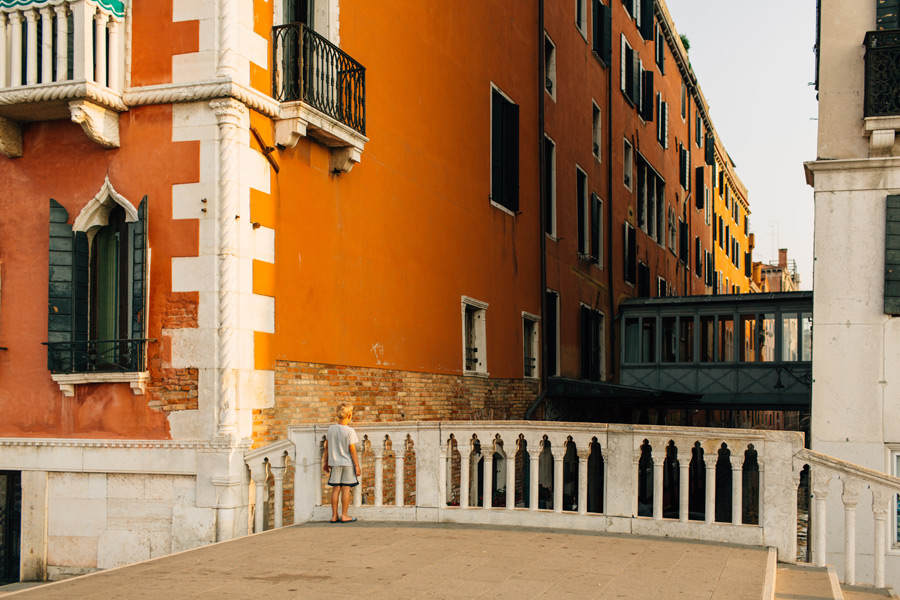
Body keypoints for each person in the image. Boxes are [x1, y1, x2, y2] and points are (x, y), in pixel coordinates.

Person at [323, 403, 361, 523]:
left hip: (334, 462)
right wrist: (357, 465)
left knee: (336, 489)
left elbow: (327, 447)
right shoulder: (350, 431)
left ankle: (334, 515)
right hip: (347, 463)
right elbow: (352, 450)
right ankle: (344, 515)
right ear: (349, 415)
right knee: (346, 489)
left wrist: (325, 462)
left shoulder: (331, 429)